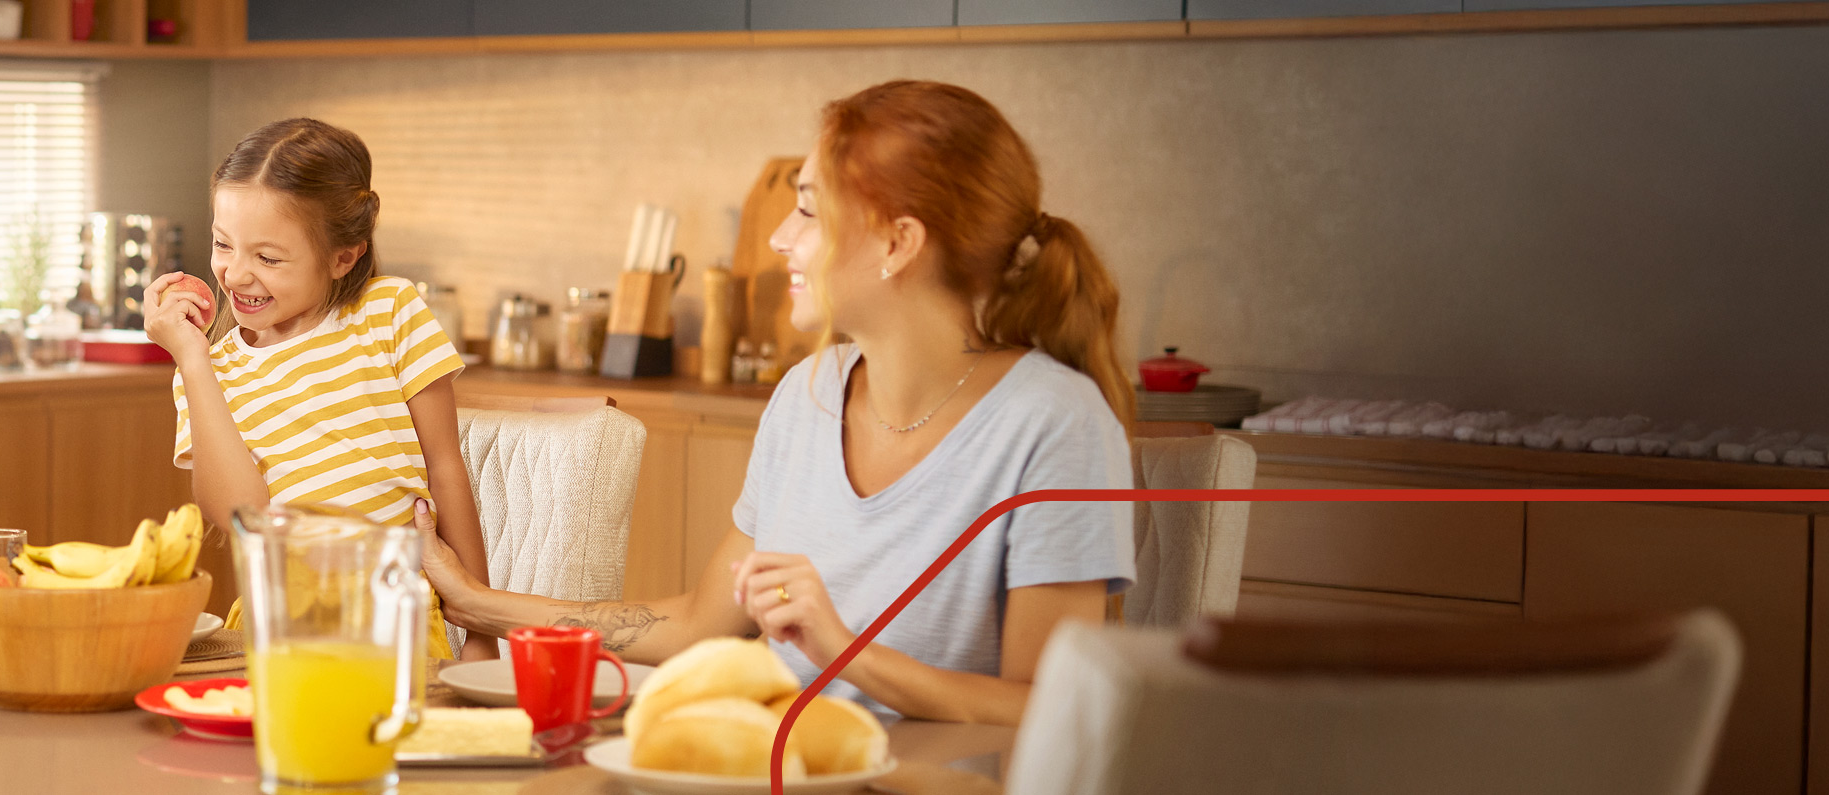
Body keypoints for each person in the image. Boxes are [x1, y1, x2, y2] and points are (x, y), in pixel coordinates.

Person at [419, 80, 1136, 725]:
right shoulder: (808, 394)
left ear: (898, 242)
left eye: (808, 211)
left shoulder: (1055, 422)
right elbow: (701, 625)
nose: (780, 237)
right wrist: (480, 601)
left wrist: (842, 650)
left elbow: (1048, 704)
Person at [144, 118, 493, 659]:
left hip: (393, 621)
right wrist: (192, 359)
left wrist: (481, 631)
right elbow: (240, 515)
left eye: (268, 257)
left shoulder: (389, 312)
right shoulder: (211, 369)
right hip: (272, 622)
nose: (234, 274)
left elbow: (446, 469)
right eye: (223, 244)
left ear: (342, 256)